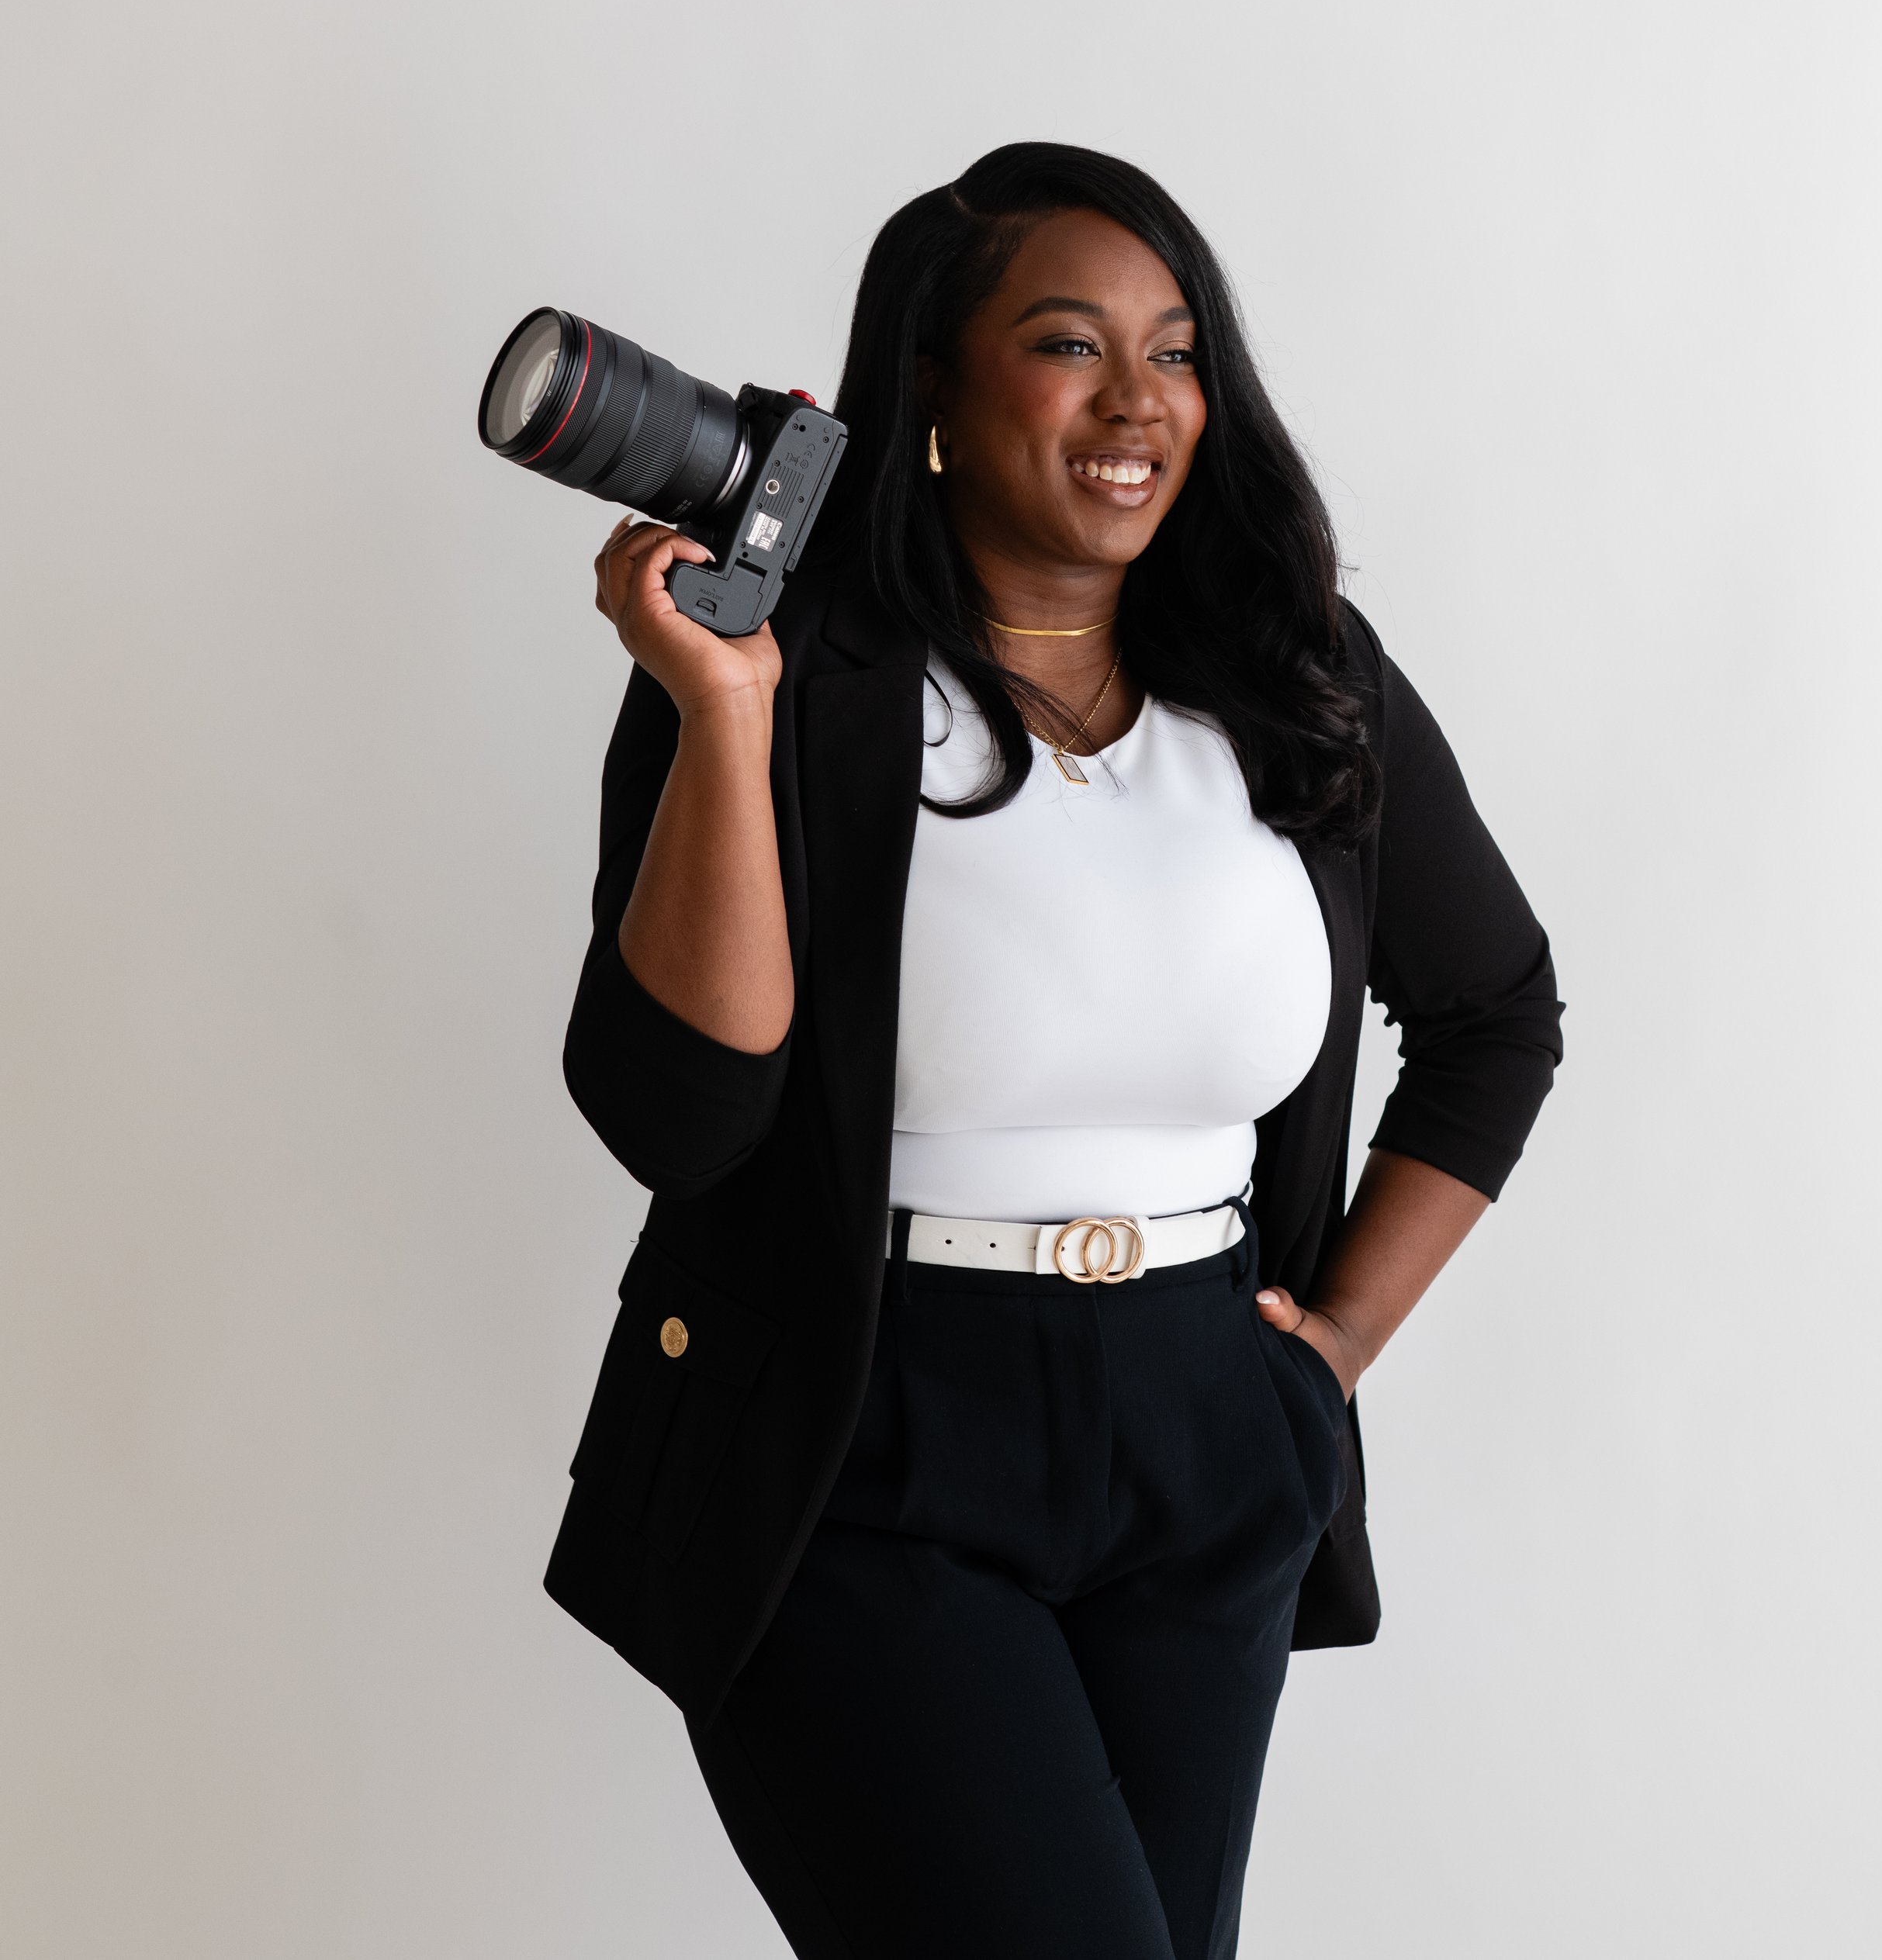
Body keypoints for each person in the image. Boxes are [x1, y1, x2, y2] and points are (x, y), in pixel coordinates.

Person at [543, 142, 1562, 1960]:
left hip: (1206, 1433)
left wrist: (1325, 1352)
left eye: (1174, 354)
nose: (1134, 404)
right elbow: (681, 1114)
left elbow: (1494, 1016)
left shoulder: (1290, 671)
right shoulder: (788, 674)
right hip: (862, 1443)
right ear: (932, 380)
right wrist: (721, 714)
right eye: (1067, 344)